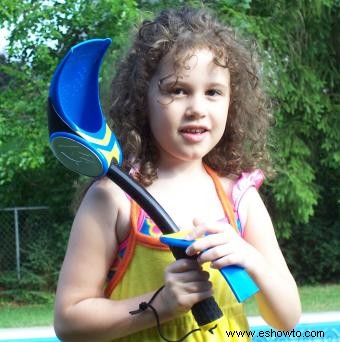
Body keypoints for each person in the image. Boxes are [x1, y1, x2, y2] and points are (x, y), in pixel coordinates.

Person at [54, 6, 301, 342]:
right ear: (143, 100)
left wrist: (253, 260)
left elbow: (286, 319)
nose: (197, 107)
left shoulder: (240, 198)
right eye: (177, 90)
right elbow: (69, 322)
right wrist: (160, 304)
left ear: (232, 102)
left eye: (213, 92)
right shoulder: (113, 198)